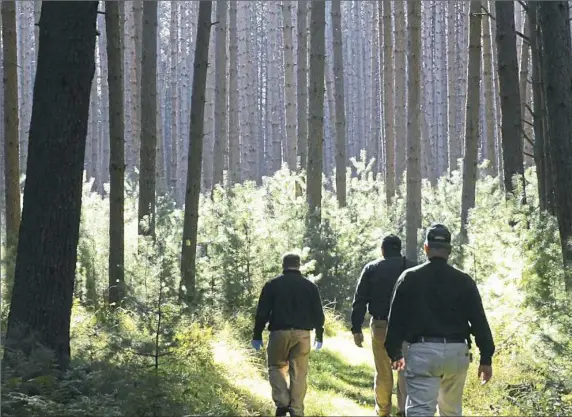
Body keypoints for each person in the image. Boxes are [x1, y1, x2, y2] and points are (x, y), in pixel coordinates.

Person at [385, 223, 495, 417]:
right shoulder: (464, 280)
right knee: (451, 411)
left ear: (426, 248)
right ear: (449, 250)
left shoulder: (409, 277)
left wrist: (395, 353)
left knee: (420, 410)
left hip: (422, 352)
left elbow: (396, 320)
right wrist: (486, 358)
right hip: (456, 354)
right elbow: (479, 321)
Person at [251, 253, 325, 417]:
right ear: (299, 265)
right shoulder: (310, 287)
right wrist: (319, 335)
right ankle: (297, 411)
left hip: (279, 333)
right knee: (299, 373)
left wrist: (257, 334)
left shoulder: (272, 285)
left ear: (283, 265)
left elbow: (262, 313)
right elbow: (318, 314)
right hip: (303, 335)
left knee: (275, 367)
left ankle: (282, 402)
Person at [350, 234, 416, 417]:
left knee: (383, 371)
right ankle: (404, 411)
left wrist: (356, 328)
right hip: (406, 327)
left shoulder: (372, 268)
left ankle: (383, 411)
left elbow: (360, 299)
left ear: (383, 250)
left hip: (381, 325)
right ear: (399, 248)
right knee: (404, 372)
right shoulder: (412, 268)